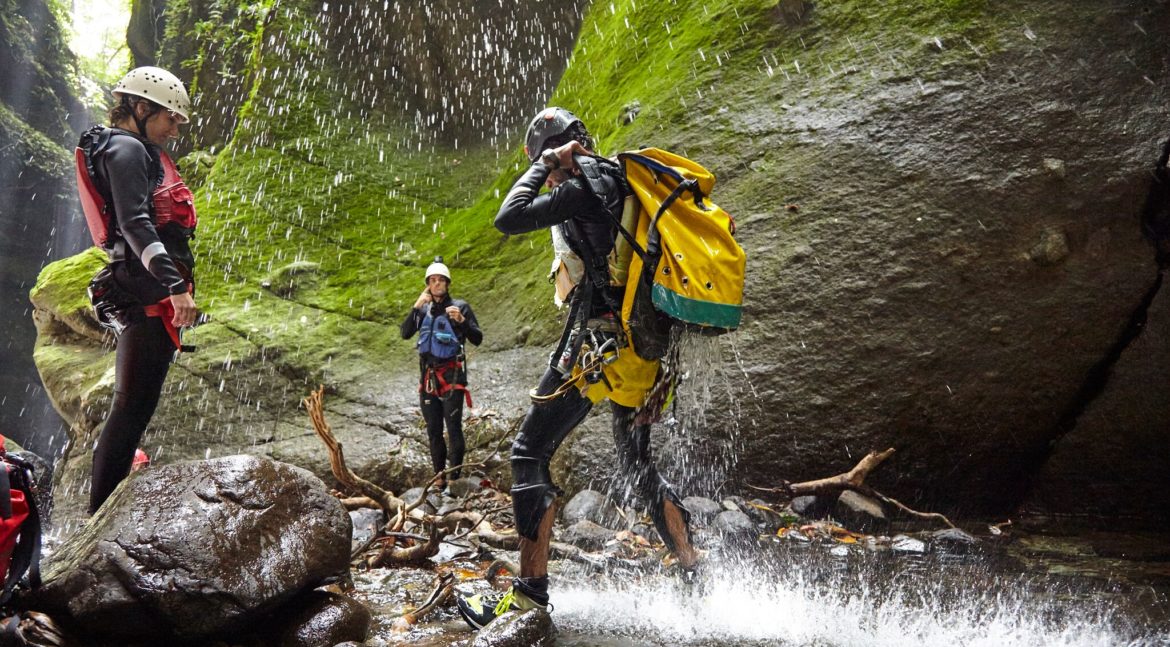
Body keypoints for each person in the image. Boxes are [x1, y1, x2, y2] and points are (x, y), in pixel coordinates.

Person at [456, 108, 698, 629]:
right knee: (637, 464)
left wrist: (545, 164)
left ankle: (528, 598)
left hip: (604, 348)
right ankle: (694, 576)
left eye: (554, 157)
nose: (554, 172)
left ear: (562, 150)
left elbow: (510, 216)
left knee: (528, 453)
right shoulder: (620, 179)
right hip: (648, 352)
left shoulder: (587, 183)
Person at [81, 66, 198, 514]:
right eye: (170, 117)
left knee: (136, 407)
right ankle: (99, 517)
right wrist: (174, 286)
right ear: (142, 107)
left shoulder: (129, 147)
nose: (175, 128)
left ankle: (104, 510)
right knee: (130, 408)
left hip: (145, 287)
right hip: (147, 289)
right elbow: (134, 224)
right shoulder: (126, 149)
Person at [400, 258, 482, 490]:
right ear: (428, 284)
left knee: (453, 427)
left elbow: (477, 338)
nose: (437, 284)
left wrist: (463, 321)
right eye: (433, 281)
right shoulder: (423, 309)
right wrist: (416, 307)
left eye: (441, 280)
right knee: (434, 430)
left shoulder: (460, 307)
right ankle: (439, 477)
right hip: (428, 380)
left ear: (447, 283)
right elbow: (405, 333)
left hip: (452, 379)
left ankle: (455, 479)